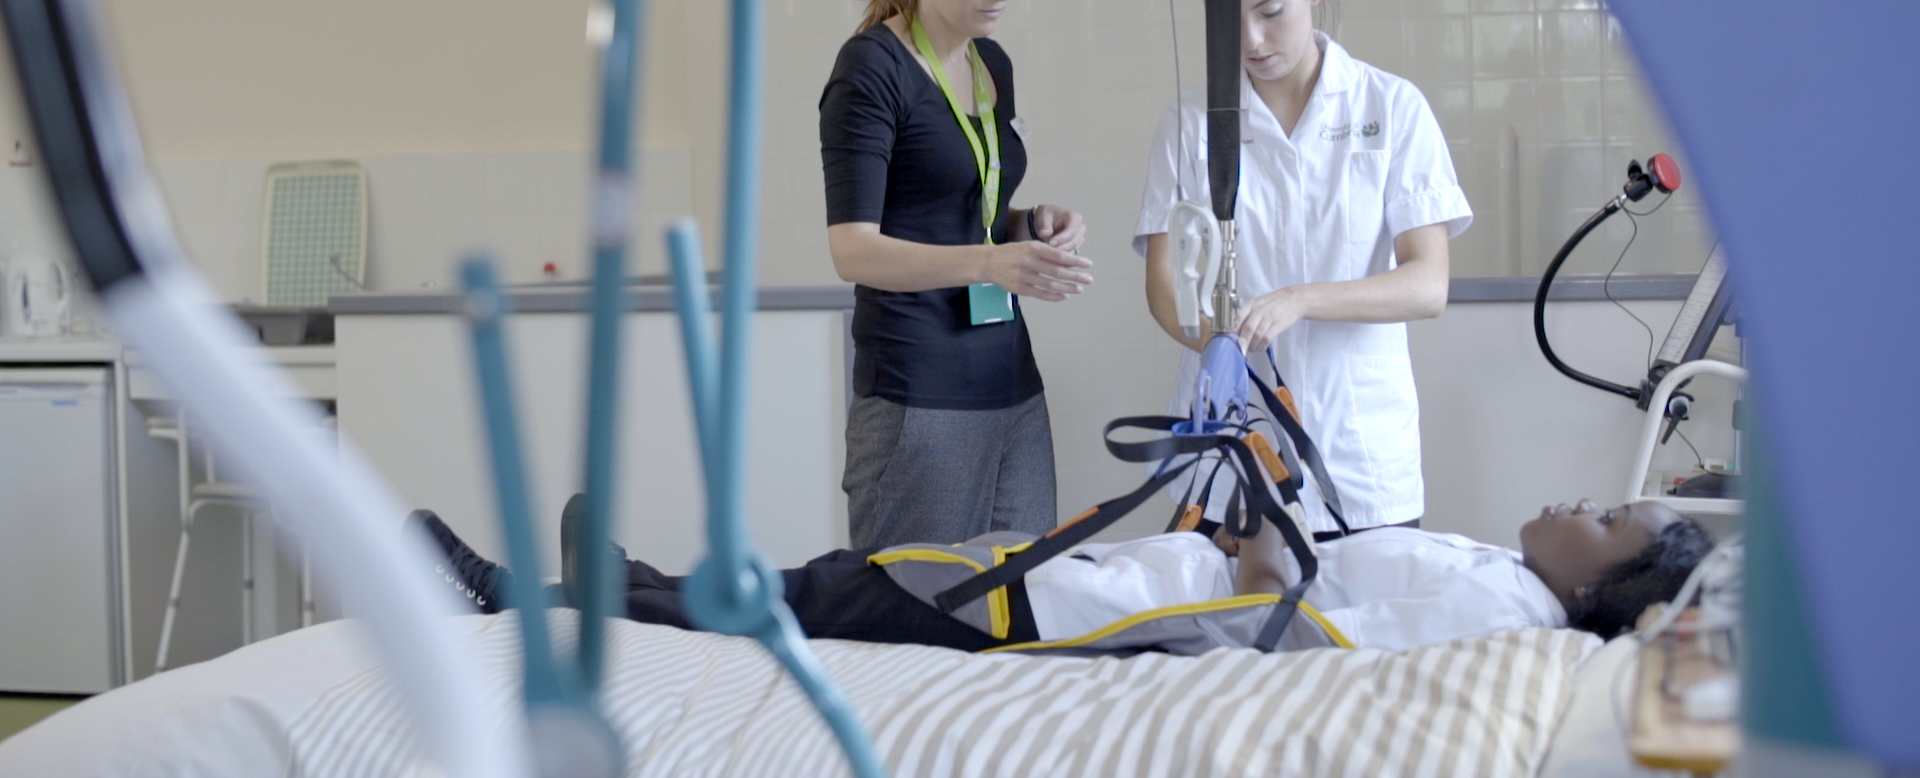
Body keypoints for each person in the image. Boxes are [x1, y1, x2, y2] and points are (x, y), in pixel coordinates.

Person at [1136, 0, 1471, 540]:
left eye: (1271, 12)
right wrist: (1217, 342)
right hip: (1230, 441)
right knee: (1226, 635)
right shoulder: (1190, 121)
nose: (1253, 42)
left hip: (1359, 448)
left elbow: (1427, 285)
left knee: (1360, 639)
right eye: (1231, 19)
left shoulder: (1391, 108)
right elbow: (1167, 284)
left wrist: (1299, 300)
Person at [413, 496, 1712, 655]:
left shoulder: (1501, 608)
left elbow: (1311, 638)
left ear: (1619, 585)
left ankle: (515, 593)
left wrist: (1259, 559)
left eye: (1606, 518)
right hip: (1113, 577)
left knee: (821, 595)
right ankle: (608, 579)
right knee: (829, 581)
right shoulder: (1495, 564)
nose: (1576, 501)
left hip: (1071, 618)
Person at [818, 0, 1094, 549]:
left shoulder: (988, 63)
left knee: (1020, 602)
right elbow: (853, 248)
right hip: (919, 387)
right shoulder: (871, 71)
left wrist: (1030, 227)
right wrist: (992, 262)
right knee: (912, 616)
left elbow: (965, 208)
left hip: (1010, 379)